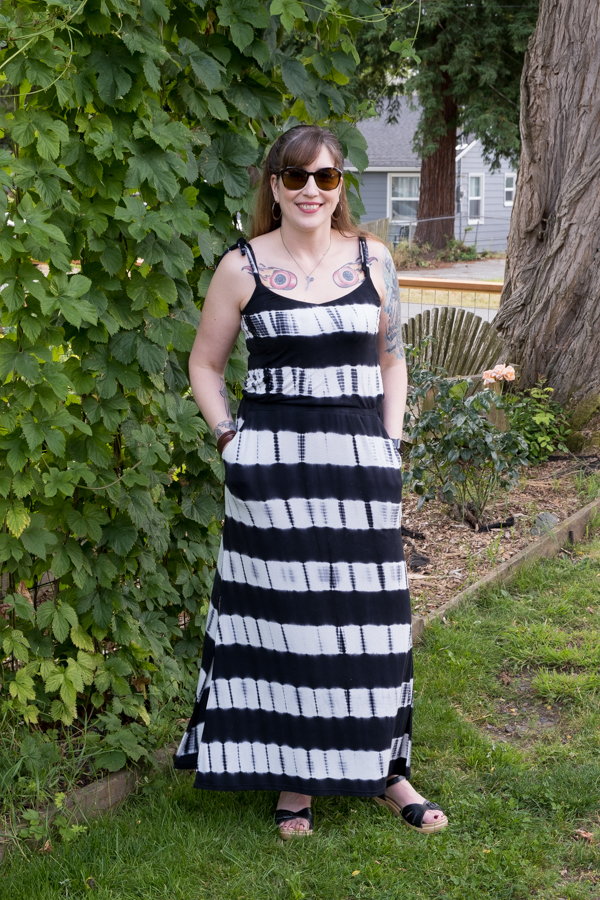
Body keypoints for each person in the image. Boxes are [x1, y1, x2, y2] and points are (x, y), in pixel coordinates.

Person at [174, 124, 448, 839]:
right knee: (292, 622)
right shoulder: (241, 267)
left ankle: (386, 770)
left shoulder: (373, 258)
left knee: (372, 624)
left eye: (325, 178)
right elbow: (204, 364)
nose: (310, 191)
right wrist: (230, 439)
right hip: (272, 471)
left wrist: (391, 443)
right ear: (274, 186)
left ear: (340, 186)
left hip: (359, 464)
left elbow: (392, 359)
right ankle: (296, 781)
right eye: (295, 177)